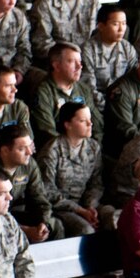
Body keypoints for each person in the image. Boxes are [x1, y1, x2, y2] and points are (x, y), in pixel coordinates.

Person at [39, 101, 104, 237]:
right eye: (82, 121)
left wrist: (90, 207)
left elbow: (96, 183)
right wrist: (80, 210)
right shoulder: (52, 150)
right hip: (60, 207)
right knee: (86, 230)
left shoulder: (93, 147)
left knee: (112, 218)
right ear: (67, 125)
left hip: (86, 204)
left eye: (90, 120)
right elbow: (47, 190)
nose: (90, 124)